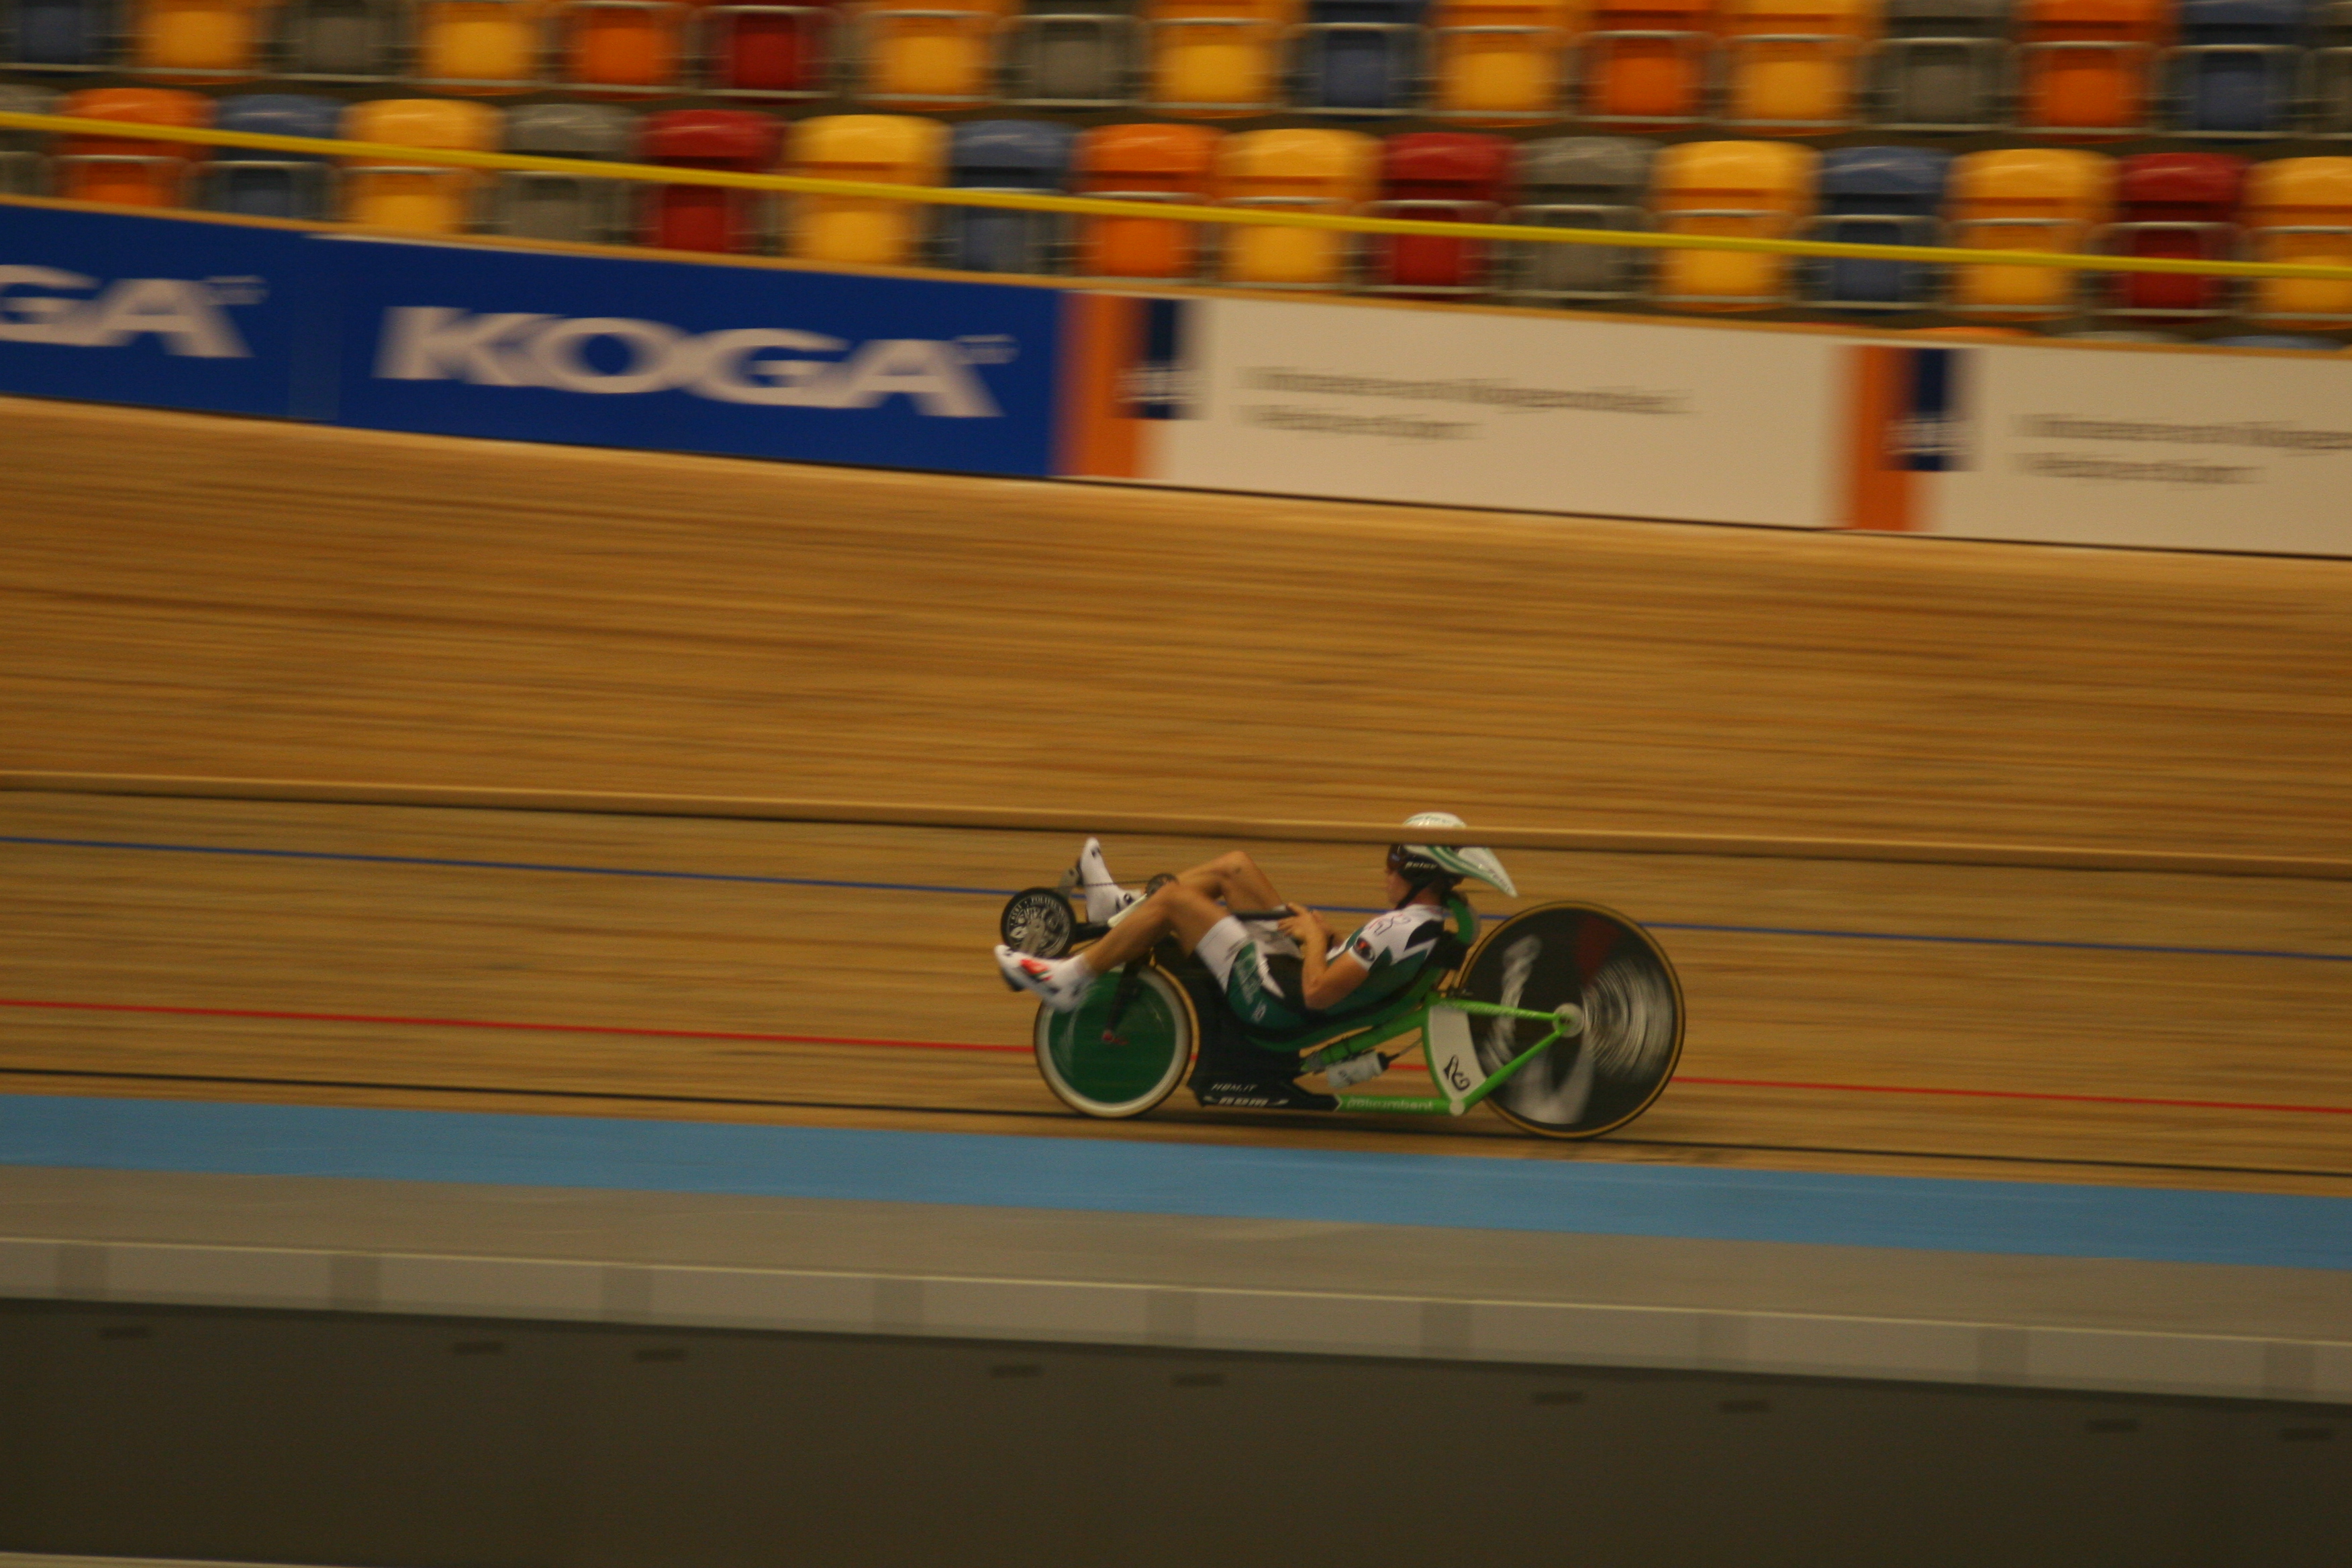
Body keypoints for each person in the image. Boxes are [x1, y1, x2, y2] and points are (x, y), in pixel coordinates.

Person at [993, 813, 1516, 1046]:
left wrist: (1314, 938)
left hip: (1274, 1000)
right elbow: (1355, 971)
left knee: (1176, 900)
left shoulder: (1396, 929)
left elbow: (1317, 994)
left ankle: (1071, 979)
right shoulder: (1425, 926)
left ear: (1420, 875)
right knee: (1235, 867)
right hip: (1289, 977)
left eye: (1394, 861)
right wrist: (1329, 941)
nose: (1386, 870)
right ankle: (1123, 910)